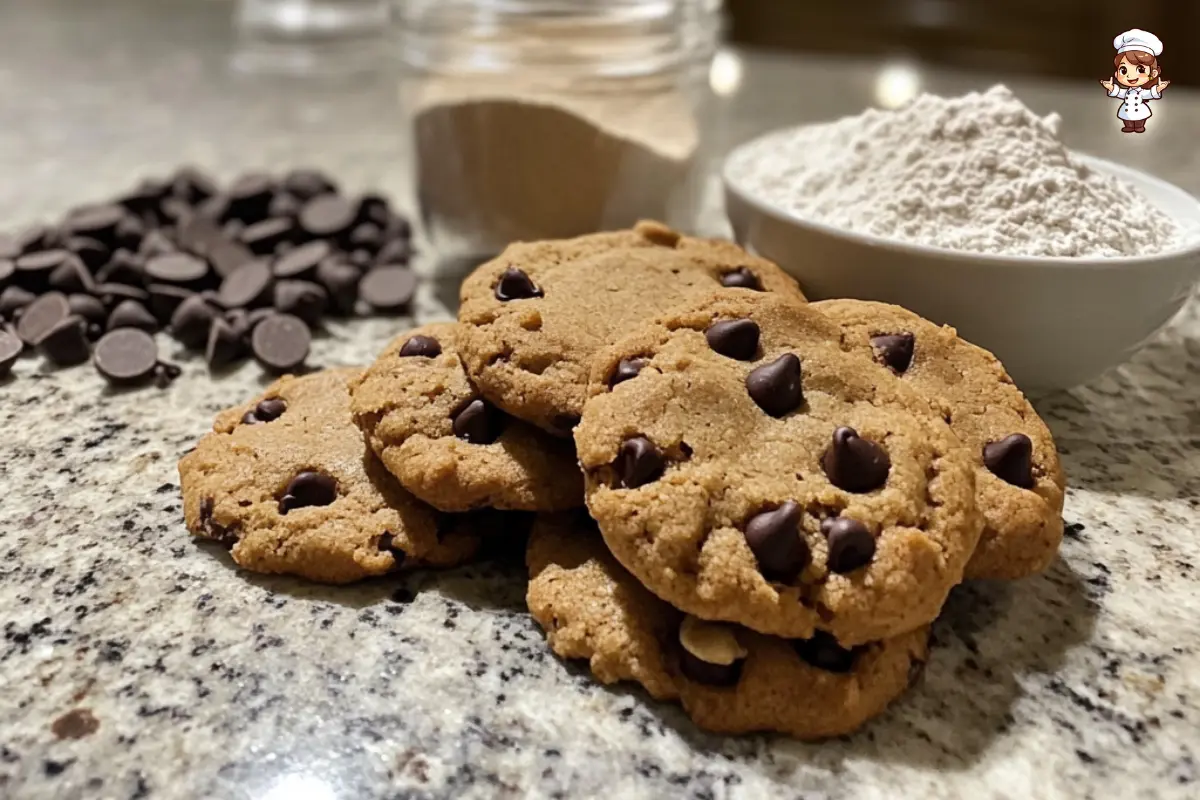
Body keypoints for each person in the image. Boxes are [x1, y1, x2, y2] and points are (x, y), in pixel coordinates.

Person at [1100, 29, 1171, 133]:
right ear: (1116, 73)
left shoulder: (1142, 92)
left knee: (1140, 120)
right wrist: (1111, 88)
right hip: (1127, 111)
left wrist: (1158, 89)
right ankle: (1128, 126)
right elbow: (1120, 92)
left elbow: (1149, 93)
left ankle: (1139, 126)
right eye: (1123, 70)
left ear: (1153, 73)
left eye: (1140, 70)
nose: (1131, 75)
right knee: (1126, 119)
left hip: (1139, 112)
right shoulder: (1126, 92)